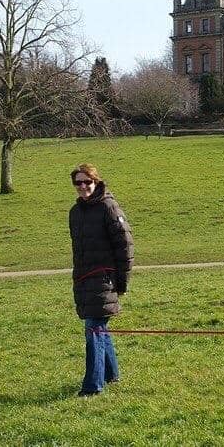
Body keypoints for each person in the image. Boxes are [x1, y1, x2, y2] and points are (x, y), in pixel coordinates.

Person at [68, 163, 134, 397]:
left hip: (105, 280)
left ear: (96, 182)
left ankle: (92, 387)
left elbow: (125, 246)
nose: (83, 186)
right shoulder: (75, 213)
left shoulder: (108, 206)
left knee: (93, 330)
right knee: (98, 328)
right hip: (84, 281)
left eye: (87, 181)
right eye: (78, 182)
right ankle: (111, 374)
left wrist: (122, 282)